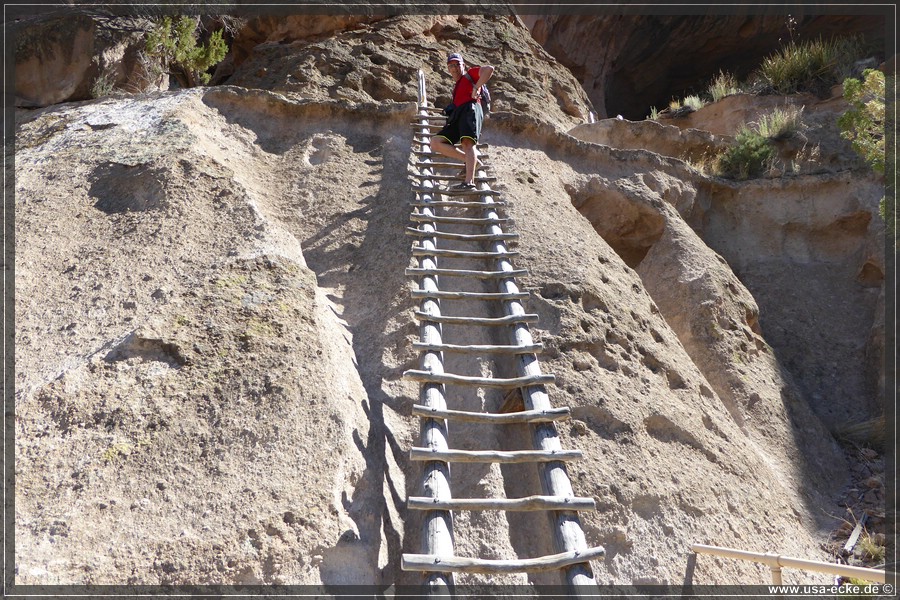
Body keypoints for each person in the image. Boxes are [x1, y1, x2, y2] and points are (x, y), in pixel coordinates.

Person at [430, 53, 494, 190]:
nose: (454, 68)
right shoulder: (457, 86)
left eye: (457, 64)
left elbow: (489, 69)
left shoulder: (470, 74)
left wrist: (476, 87)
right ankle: (471, 160)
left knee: (467, 143)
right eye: (451, 66)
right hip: (458, 114)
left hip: (470, 110)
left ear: (463, 65)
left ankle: (469, 182)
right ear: (448, 69)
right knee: (435, 143)